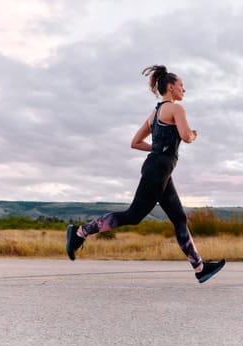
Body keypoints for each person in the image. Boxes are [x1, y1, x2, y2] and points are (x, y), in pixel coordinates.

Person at [66, 65, 225, 283]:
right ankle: (80, 233)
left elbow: (135, 143)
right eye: (181, 86)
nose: (184, 90)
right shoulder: (175, 109)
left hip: (159, 169)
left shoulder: (155, 113)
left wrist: (158, 147)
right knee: (133, 216)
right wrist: (193, 135)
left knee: (179, 218)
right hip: (158, 170)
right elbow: (186, 136)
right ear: (170, 87)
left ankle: (200, 268)